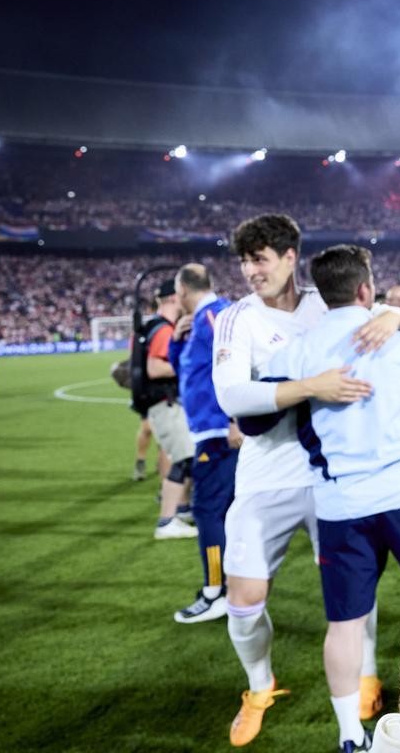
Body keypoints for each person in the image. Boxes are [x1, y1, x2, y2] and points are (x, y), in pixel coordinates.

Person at [211, 214, 400, 746]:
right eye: (244, 261)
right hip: (265, 478)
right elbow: (233, 399)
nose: (249, 271)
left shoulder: (324, 304)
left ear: (289, 258)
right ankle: (259, 686)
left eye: (259, 259)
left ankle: (367, 676)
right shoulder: (239, 319)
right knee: (244, 596)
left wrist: (396, 316)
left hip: (331, 477)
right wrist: (309, 386)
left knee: (356, 591)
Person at [261, 244, 400, 752]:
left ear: (322, 292)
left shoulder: (294, 355)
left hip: (339, 504)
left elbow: (253, 419)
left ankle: (349, 734)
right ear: (365, 289)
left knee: (344, 623)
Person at [168, 263, 240, 623]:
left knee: (208, 511)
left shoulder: (216, 315)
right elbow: (190, 373)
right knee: (221, 511)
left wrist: (235, 418)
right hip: (210, 429)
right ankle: (229, 587)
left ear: (182, 291)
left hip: (219, 430)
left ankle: (217, 591)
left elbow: (242, 362)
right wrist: (178, 340)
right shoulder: (200, 319)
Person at [137, 279, 198, 539]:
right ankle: (166, 521)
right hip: (166, 402)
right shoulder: (163, 330)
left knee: (187, 456)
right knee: (183, 459)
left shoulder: (150, 326)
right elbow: (155, 368)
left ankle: (183, 508)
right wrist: (191, 366)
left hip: (160, 404)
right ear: (175, 298)